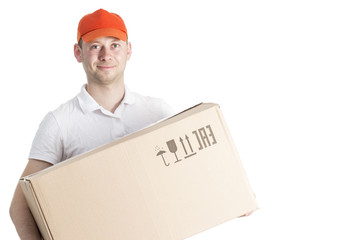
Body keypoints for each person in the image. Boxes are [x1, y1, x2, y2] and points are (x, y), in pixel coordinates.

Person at [9, 9, 174, 239]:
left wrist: (228, 197)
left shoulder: (157, 112)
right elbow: (20, 207)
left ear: (129, 51)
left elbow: (181, 177)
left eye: (115, 45)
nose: (106, 55)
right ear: (78, 53)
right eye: (95, 46)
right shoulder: (60, 123)